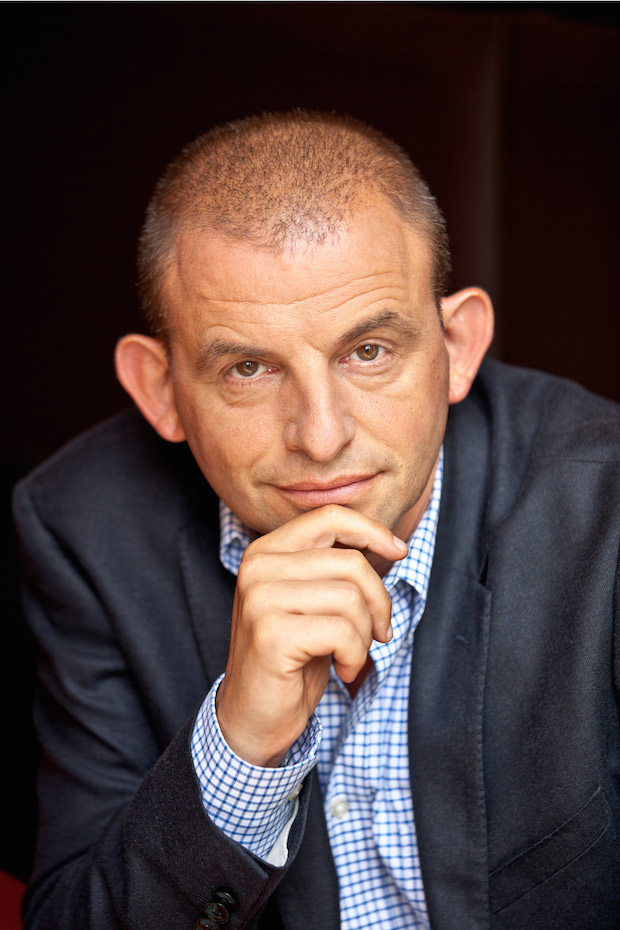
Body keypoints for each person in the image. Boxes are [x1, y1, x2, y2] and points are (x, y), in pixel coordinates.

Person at [13, 111, 620, 930]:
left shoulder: (606, 512)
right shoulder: (85, 528)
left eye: (368, 351)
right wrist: (237, 746)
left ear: (457, 347)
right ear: (161, 390)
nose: (321, 435)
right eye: (249, 368)